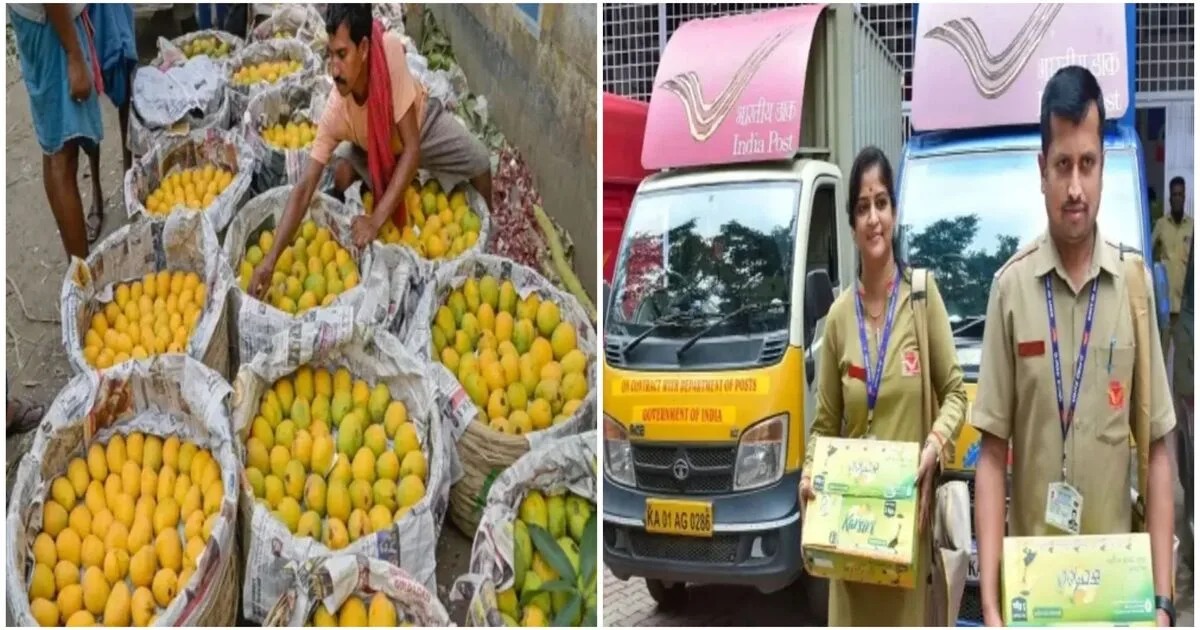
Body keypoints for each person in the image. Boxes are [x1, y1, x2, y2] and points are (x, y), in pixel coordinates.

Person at [971, 66, 1177, 627]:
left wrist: (1162, 603)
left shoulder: (1132, 287)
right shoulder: (1010, 291)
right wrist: (990, 606)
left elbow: (1158, 447)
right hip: (1033, 599)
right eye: (1063, 165)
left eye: (1088, 164)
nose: (1076, 187)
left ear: (1103, 168)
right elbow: (991, 455)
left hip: (1117, 598)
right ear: (1042, 171)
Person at [798, 146, 968, 626]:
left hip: (903, 534)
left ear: (894, 213)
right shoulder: (837, 319)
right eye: (862, 207)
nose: (873, 218)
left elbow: (955, 393)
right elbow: (825, 425)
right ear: (852, 224)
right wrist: (809, 475)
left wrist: (934, 445)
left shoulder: (921, 298)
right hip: (849, 531)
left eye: (881, 203)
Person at [247, 3, 494, 299]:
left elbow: (413, 149)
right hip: (371, 145)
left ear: (363, 49)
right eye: (329, 55)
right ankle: (381, 177)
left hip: (419, 127)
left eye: (342, 54)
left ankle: (485, 247)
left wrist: (375, 220)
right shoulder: (337, 111)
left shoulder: (388, 52)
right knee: (339, 175)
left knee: (480, 161)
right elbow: (304, 188)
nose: (333, 69)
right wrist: (270, 260)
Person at [9, 3, 107, 258]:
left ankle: (76, 273)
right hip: (53, 25)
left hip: (39, 20)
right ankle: (84, 284)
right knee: (63, 155)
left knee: (54, 147)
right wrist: (74, 53)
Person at [1152, 175, 1193, 348]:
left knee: (1183, 363)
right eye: (1174, 195)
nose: (1177, 198)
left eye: (1180, 195)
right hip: (1165, 308)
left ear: (1185, 197)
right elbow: (1147, 254)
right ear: (1169, 198)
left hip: (1185, 309)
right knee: (1162, 358)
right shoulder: (1161, 225)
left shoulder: (1192, 227)